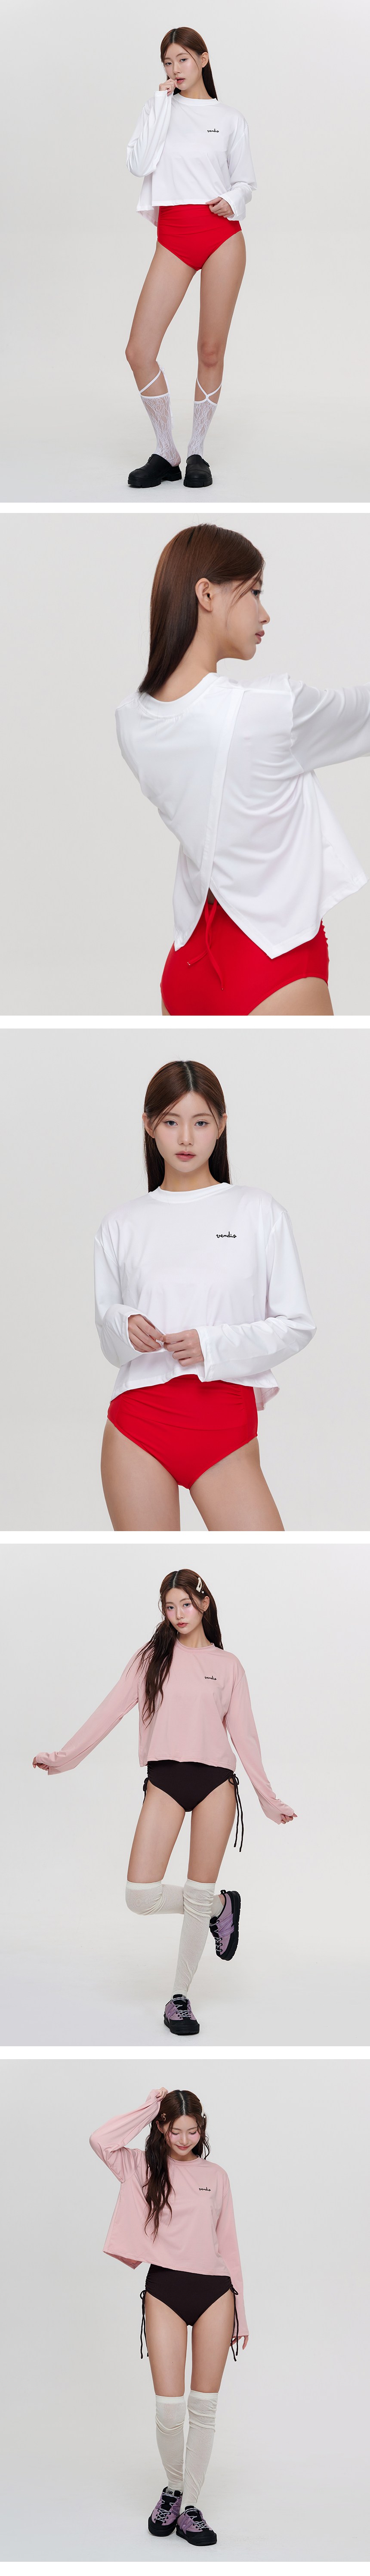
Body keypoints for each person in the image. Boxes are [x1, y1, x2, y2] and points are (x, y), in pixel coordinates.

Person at [116, 523, 370, 1016]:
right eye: (253, 591)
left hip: (186, 965)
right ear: (206, 594)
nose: (263, 612)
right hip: (273, 962)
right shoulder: (267, 710)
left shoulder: (131, 722)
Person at [33, 1565, 296, 2036]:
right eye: (169, 1607)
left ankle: (180, 1998)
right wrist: (65, 1758)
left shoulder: (228, 1665)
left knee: (195, 1890)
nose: (178, 1614)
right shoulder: (151, 1657)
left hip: (215, 1783)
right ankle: (219, 1907)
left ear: (204, 1604)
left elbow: (245, 1737)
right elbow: (110, 1710)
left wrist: (268, 1799)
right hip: (165, 1780)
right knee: (140, 1896)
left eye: (186, 1604)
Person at [93, 1055, 315, 1532]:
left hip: (225, 1425)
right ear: (149, 1126)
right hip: (138, 1424)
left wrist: (210, 1344)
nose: (186, 1138)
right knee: (148, 1564)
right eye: (171, 1122)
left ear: (221, 1125)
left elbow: (295, 1325)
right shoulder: (121, 1223)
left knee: (268, 1561)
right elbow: (108, 1336)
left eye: (200, 1122)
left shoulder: (257, 1211)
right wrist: (126, 1326)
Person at [89, 2083, 248, 2545]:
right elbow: (101, 2140)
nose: (184, 2139)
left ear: (202, 2129)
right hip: (164, 2290)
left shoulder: (216, 2175)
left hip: (215, 2292)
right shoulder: (142, 2166)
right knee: (169, 2408)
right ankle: (174, 2488)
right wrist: (149, 2107)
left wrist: (242, 2310)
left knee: (204, 2408)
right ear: (162, 2128)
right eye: (175, 2130)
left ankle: (191, 2505)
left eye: (192, 2131)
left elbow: (229, 2244)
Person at [126, 26, 256, 488]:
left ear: (203, 59)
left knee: (210, 349)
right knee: (139, 351)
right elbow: (139, 164)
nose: (174, 69)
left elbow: (245, 182)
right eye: (167, 62)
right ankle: (167, 452)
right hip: (175, 236)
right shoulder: (158, 109)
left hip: (221, 236)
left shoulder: (230, 118)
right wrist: (161, 103)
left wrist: (232, 200)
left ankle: (198, 450)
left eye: (182, 59)